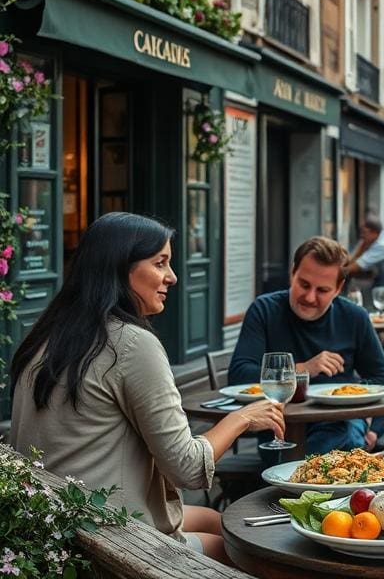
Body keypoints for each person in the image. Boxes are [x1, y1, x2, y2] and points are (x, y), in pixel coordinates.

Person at [9, 213, 284, 562]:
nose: (172, 276)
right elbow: (186, 467)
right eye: (160, 263)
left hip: (54, 529)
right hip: (112, 540)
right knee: (246, 550)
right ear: (120, 268)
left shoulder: (45, 336)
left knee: (218, 519)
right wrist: (242, 419)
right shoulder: (131, 344)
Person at [229, 236, 384, 455]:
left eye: (322, 290)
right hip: (281, 432)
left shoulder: (354, 317)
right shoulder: (264, 310)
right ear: (292, 272)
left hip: (342, 423)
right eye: (304, 284)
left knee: (341, 430)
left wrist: (373, 428)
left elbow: (382, 379)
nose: (309, 296)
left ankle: (299, 475)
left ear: (338, 288)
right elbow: (239, 375)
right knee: (335, 443)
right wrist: (304, 369)